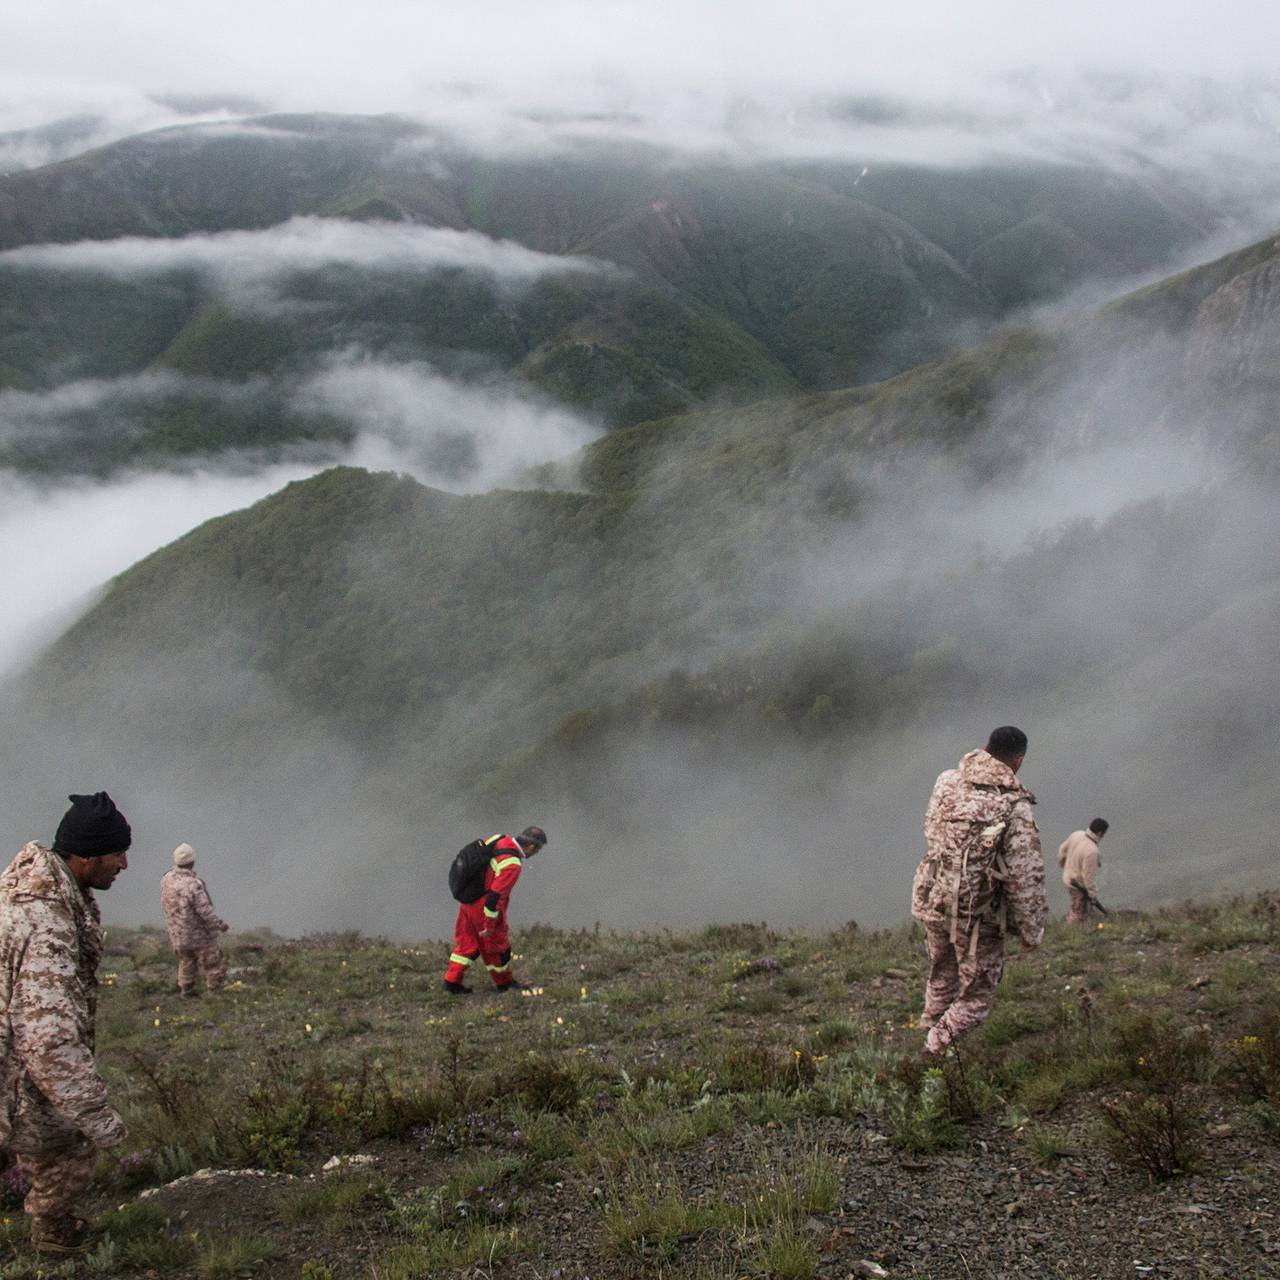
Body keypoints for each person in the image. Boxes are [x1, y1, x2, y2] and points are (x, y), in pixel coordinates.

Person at [0, 792, 132, 1255]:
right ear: (86, 856)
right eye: (117, 852)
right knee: (69, 1140)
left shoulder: (25, 888)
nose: (125, 863)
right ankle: (52, 1231)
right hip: (15, 1064)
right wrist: (96, 1116)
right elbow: (49, 1039)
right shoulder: (49, 924)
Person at [911, 727, 1046, 1056]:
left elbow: (931, 828)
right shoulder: (1014, 804)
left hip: (934, 898)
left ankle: (929, 1026)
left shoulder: (946, 781)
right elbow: (1024, 875)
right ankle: (934, 1052)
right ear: (1018, 761)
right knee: (977, 995)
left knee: (942, 972)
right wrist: (1031, 930)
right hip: (977, 913)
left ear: (985, 746)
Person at [443, 826, 547, 995]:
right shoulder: (512, 864)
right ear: (532, 847)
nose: (535, 854)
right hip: (483, 905)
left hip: (469, 898)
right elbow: (496, 896)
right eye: (538, 850)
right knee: (497, 947)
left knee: (467, 942)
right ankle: (504, 983)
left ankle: (451, 982)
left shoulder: (499, 839)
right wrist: (489, 924)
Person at [159, 843, 230, 996]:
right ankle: (215, 992)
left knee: (186, 961)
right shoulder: (193, 884)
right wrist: (219, 924)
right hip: (197, 933)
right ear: (192, 862)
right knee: (213, 961)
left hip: (177, 933)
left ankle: (186, 990)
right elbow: (204, 910)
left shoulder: (166, 880)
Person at [1058, 818, 1109, 923]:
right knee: (1078, 912)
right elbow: (1088, 878)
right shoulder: (1092, 851)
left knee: (1079, 908)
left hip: (1068, 877)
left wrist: (1063, 864)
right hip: (1078, 885)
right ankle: (1069, 933)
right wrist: (1093, 895)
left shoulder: (1077, 834)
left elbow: (1062, 849)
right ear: (1100, 833)